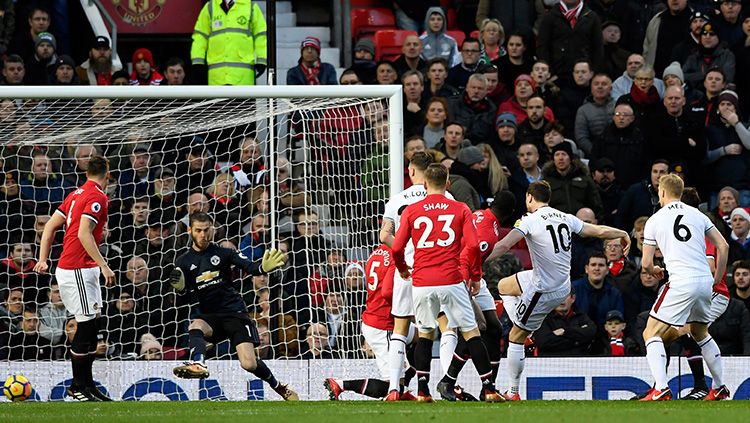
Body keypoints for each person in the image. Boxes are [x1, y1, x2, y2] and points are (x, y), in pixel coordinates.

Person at [491, 180, 629, 400]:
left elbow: (504, 245)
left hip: (543, 288)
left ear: (529, 197)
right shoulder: (565, 217)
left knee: (515, 337)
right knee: (504, 287)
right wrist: (621, 232)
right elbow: (597, 230)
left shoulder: (529, 220)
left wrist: (477, 261)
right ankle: (524, 325)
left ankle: (513, 392)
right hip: (561, 284)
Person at [392, 163, 503, 403]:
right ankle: (489, 388)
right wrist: (475, 277)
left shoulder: (412, 210)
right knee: (471, 332)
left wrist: (402, 270)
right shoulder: (461, 208)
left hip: (421, 280)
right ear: (448, 183)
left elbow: (397, 247)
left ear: (423, 184)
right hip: (451, 279)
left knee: (426, 334)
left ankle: (423, 392)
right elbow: (473, 246)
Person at [169, 212, 298, 400]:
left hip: (234, 313)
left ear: (212, 229)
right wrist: (180, 290)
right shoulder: (183, 262)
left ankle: (279, 387)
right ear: (190, 230)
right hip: (210, 316)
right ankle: (198, 363)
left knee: (249, 364)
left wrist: (263, 268)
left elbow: (251, 267)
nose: (203, 235)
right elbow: (184, 299)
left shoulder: (224, 253)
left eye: (206, 230)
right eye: (198, 230)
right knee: (195, 326)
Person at [639, 174, 729, 401]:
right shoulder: (698, 215)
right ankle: (719, 387)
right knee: (700, 331)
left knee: (651, 332)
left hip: (681, 281)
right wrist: (717, 278)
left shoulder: (655, 220)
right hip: (704, 282)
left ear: (662, 192)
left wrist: (653, 272)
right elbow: (723, 245)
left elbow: (646, 263)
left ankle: (660, 388)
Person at [33, 156, 115, 401]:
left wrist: (43, 259)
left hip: (77, 268)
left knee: (92, 326)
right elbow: (83, 233)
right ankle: (78, 386)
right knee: (86, 325)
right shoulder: (97, 197)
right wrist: (104, 265)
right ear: (107, 173)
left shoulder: (75, 194)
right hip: (77, 267)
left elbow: (49, 227)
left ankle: (87, 385)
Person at [377, 152, 458, 400]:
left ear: (411, 171)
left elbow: (384, 237)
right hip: (437, 269)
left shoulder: (397, 200)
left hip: (406, 270)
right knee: (447, 326)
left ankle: (393, 387)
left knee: (400, 329)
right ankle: (447, 384)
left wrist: (405, 252)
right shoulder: (447, 197)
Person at [436, 190, 516, 400]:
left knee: (495, 328)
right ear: (510, 213)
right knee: (475, 328)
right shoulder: (488, 231)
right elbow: (465, 255)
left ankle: (488, 389)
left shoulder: (482, 215)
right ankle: (448, 381)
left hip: (473, 278)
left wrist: (475, 277)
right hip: (459, 278)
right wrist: (468, 280)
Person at [324, 244, 417, 400]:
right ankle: (340, 384)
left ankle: (408, 374)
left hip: (378, 317)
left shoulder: (377, 252)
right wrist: (407, 306)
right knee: (394, 386)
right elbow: (388, 292)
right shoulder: (397, 255)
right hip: (383, 324)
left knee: (423, 334)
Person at [191, 0, 267, 85]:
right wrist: (197, 61)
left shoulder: (250, 7)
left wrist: (262, 60)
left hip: (243, 79)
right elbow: (200, 36)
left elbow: (261, 35)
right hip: (217, 79)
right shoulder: (210, 7)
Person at [536, 0, 604, 85]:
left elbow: (598, 49)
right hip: (556, 78)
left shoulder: (592, 17)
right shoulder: (550, 17)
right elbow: (542, 47)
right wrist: (550, 73)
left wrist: (593, 74)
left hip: (584, 79)